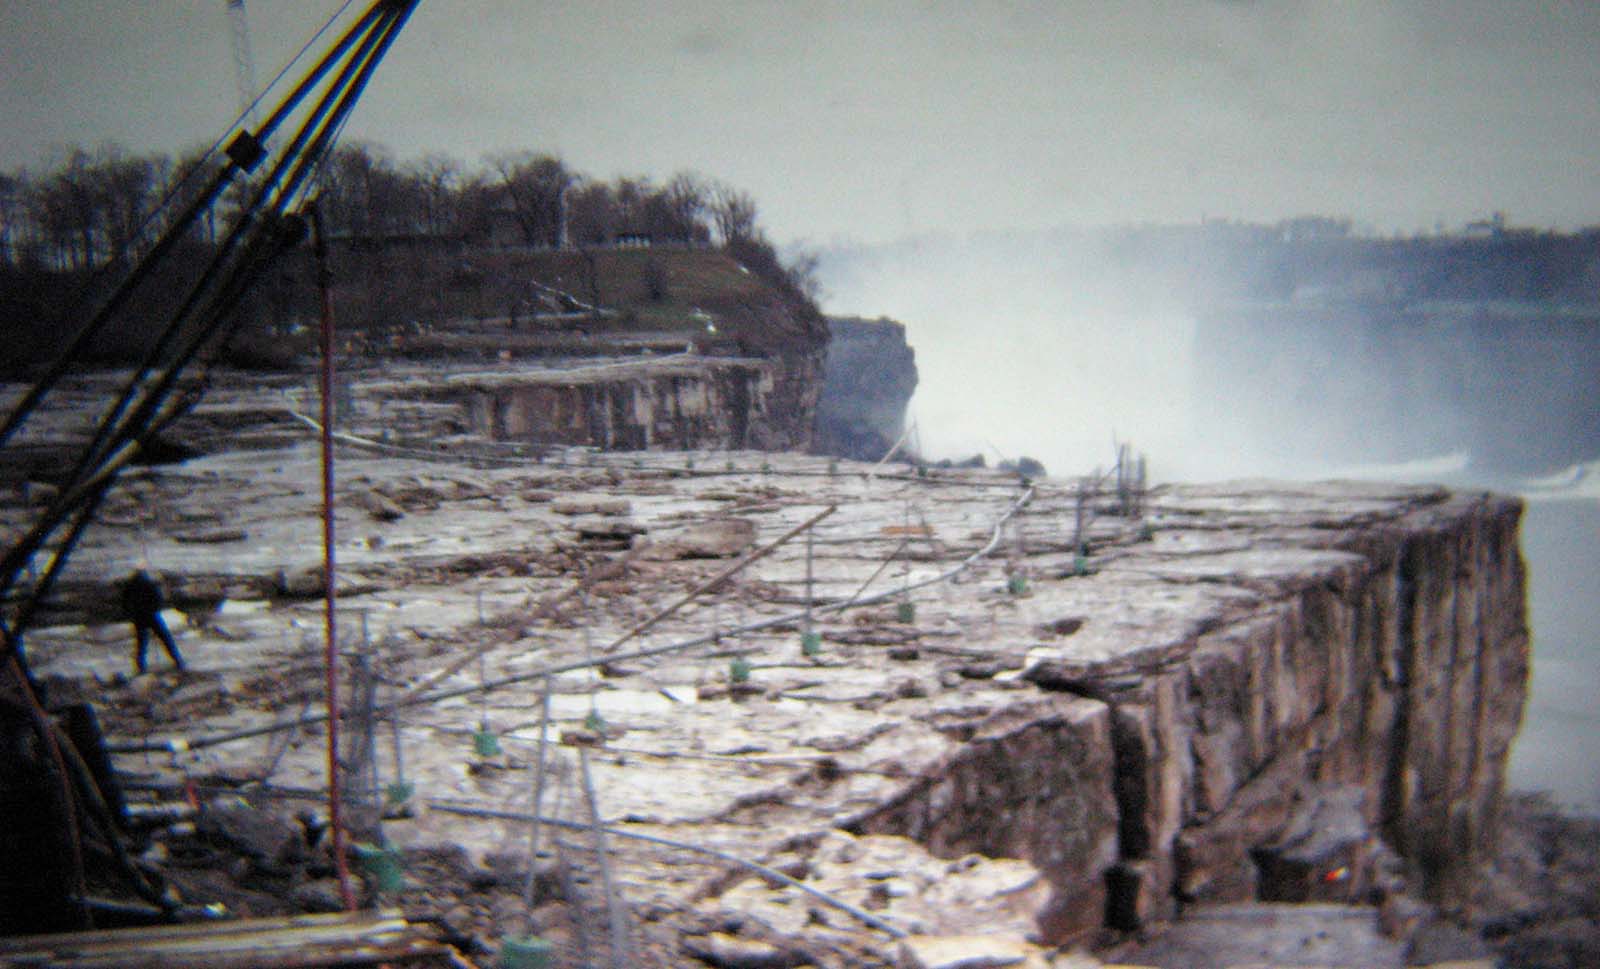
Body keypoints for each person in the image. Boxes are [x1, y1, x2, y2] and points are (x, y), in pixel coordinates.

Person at [119, 570, 185, 675]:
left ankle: (140, 666)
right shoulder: (149, 584)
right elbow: (158, 599)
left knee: (141, 643)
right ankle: (178, 660)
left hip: (138, 617)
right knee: (165, 638)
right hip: (151, 616)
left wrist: (129, 614)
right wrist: (155, 609)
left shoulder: (130, 586)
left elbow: (124, 602)